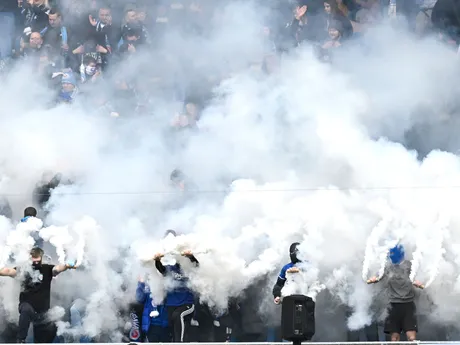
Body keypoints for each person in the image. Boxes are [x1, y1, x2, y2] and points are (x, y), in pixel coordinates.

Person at [0, 247, 77, 343]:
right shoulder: (23, 270)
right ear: (30, 257)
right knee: (26, 309)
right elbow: (8, 271)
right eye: (33, 258)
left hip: (42, 312)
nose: (36, 261)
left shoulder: (47, 269)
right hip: (27, 306)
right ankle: (21, 340)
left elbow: (57, 269)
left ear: (41, 257)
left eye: (38, 258)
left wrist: (66, 265)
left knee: (42, 338)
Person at [367, 244, 424, 342]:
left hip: (408, 305)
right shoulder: (387, 266)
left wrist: (419, 282)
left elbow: (417, 278)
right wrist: (374, 279)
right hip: (393, 305)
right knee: (394, 339)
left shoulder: (410, 266)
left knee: (412, 338)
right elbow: (379, 276)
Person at [153, 231, 198, 342]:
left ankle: (179, 343)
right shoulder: (170, 268)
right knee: (173, 323)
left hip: (186, 303)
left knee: (178, 316)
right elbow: (161, 269)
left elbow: (196, 266)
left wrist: (191, 256)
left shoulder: (187, 267)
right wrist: (157, 260)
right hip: (171, 303)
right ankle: (176, 342)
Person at [136, 276, 169, 342]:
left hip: (164, 325)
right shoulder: (146, 285)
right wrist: (141, 283)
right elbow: (139, 298)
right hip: (150, 325)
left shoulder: (166, 282)